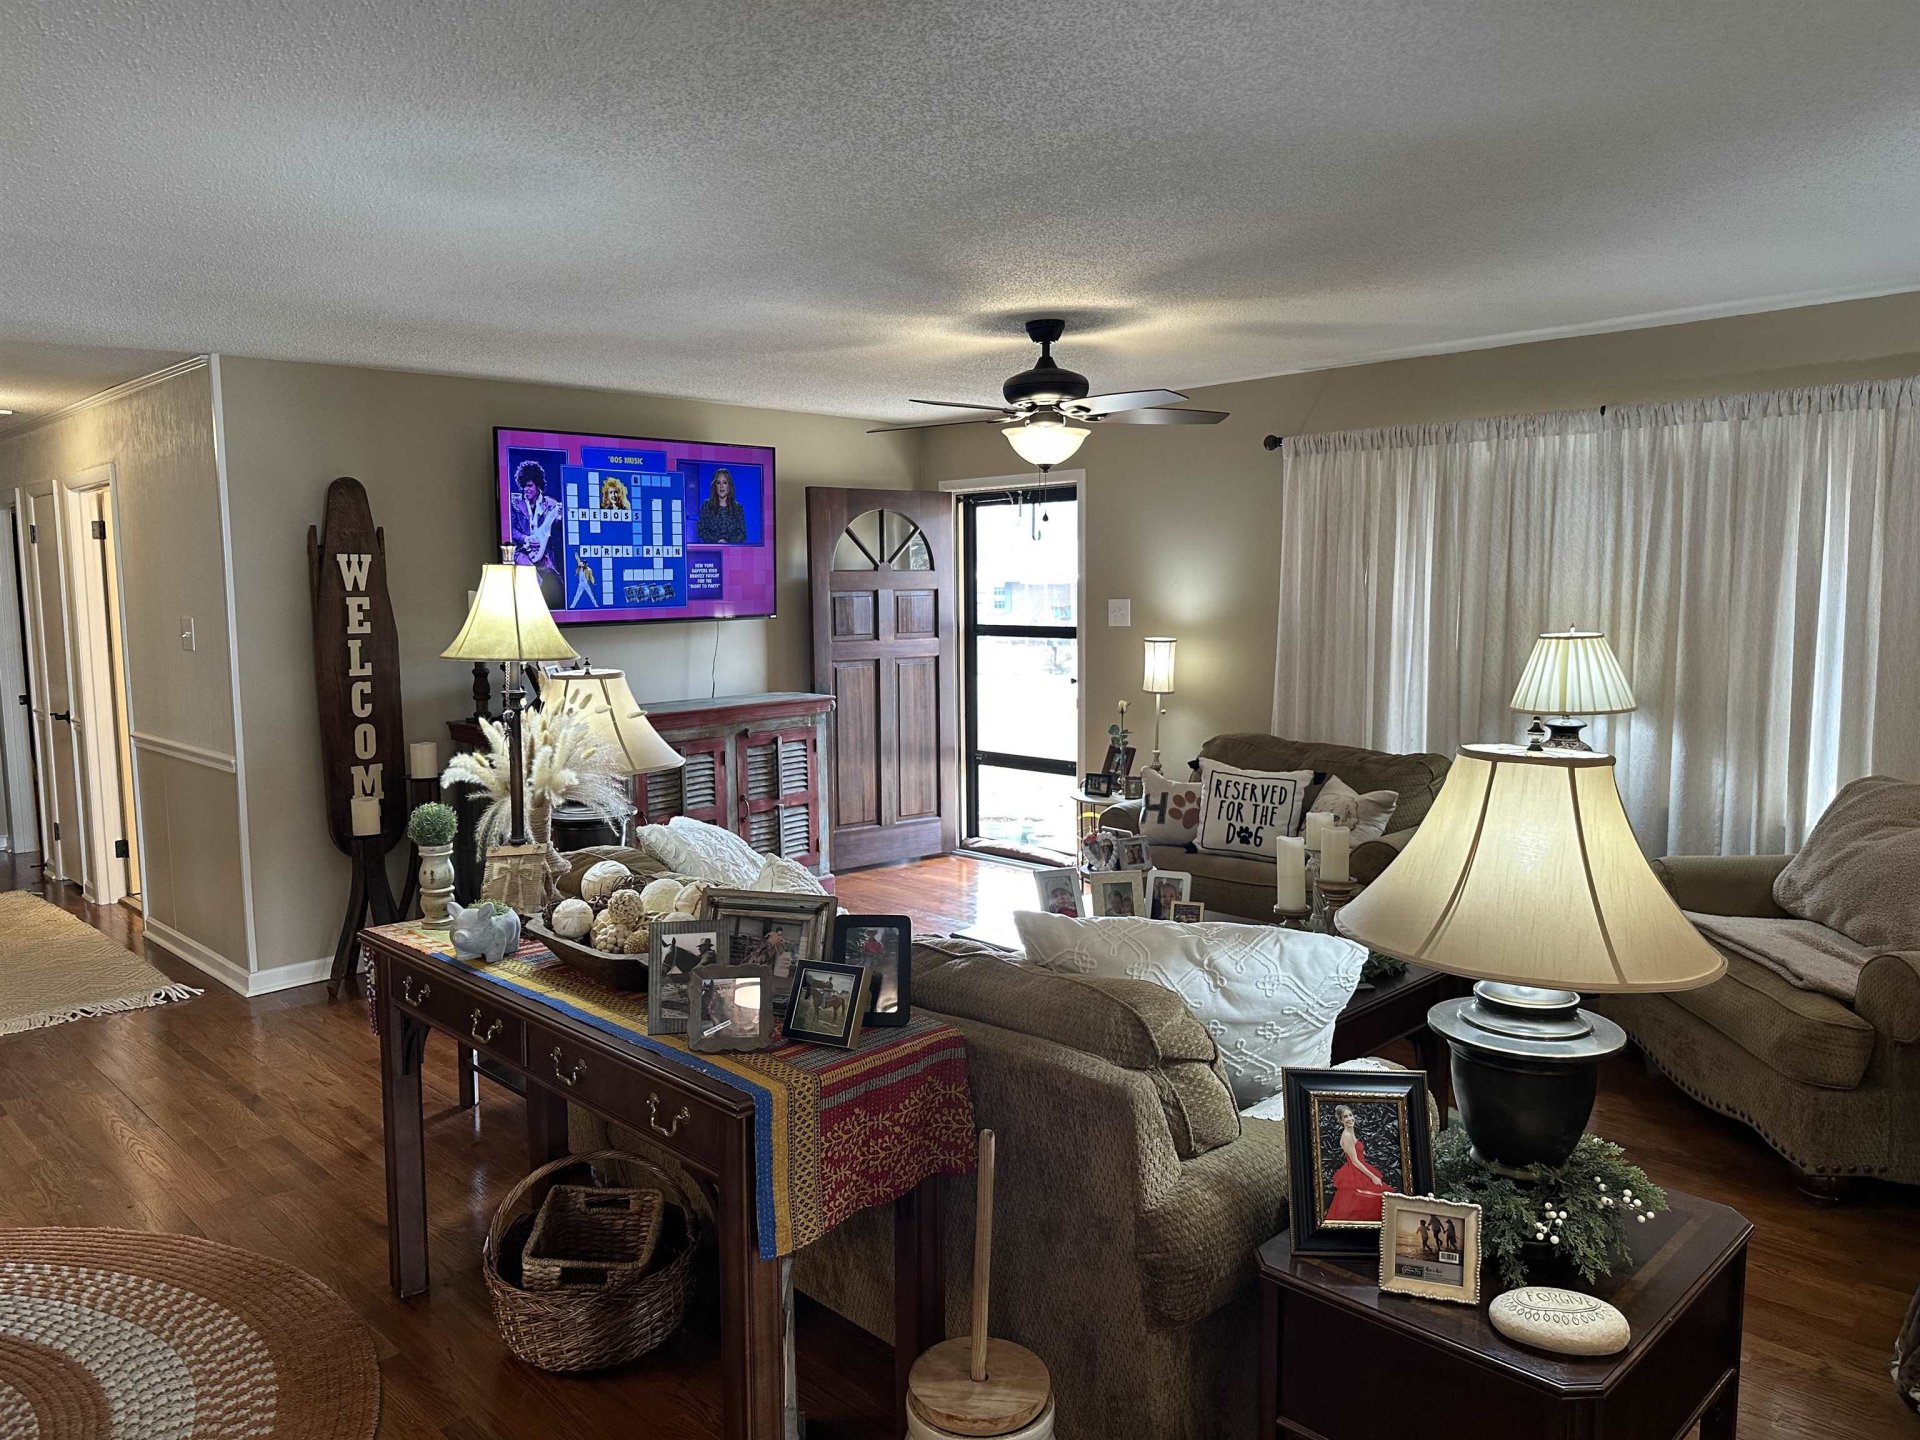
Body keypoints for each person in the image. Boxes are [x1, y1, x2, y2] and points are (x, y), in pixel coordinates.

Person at [1323, 1103, 1389, 1223]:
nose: (1349, 1119)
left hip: (1360, 1168)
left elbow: (1355, 1152)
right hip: (1355, 1171)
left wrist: (1361, 1151)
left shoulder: (1351, 1132)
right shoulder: (1347, 1135)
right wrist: (1373, 1177)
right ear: (1341, 1121)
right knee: (1376, 1198)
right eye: (1345, 1117)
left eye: (1350, 1115)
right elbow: (1354, 1161)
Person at [510, 461, 563, 574]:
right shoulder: (515, 503)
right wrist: (525, 538)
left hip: (543, 554)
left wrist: (561, 517)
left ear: (538, 486)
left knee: (556, 581)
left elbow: (557, 529)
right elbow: (510, 530)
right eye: (524, 486)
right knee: (532, 576)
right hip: (521, 551)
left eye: (529, 485)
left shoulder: (551, 504)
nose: (526, 489)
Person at [696, 467, 749, 544]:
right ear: (714, 486)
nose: (721, 486)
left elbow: (742, 534)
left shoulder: (737, 508)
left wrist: (727, 543)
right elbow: (701, 530)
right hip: (712, 549)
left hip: (731, 550)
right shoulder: (707, 505)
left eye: (724, 482)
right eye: (718, 483)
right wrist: (717, 542)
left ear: (729, 485)